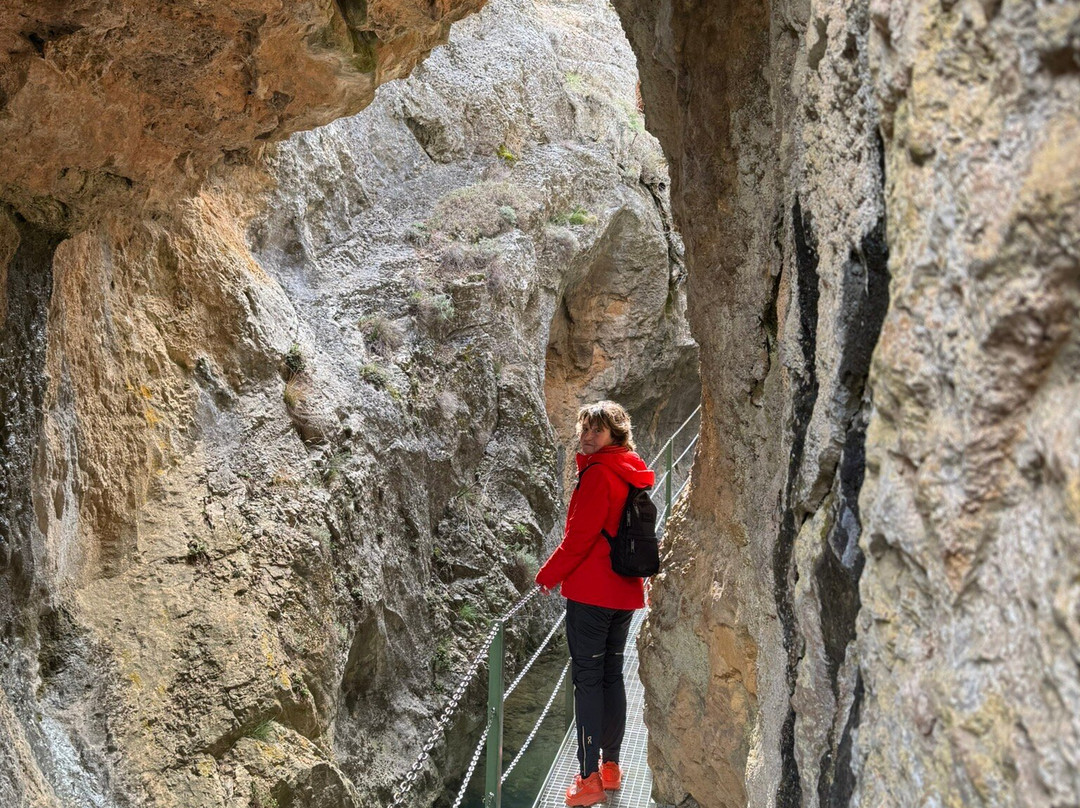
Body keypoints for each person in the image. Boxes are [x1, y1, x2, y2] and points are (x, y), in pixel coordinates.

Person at [536, 401, 655, 807]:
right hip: (624, 591)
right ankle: (611, 766)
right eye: (584, 428)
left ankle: (588, 780)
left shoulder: (600, 474)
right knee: (610, 675)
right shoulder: (630, 468)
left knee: (587, 681)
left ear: (614, 436)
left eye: (597, 431)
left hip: (591, 594)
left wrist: (547, 575)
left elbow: (579, 538)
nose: (587, 436)